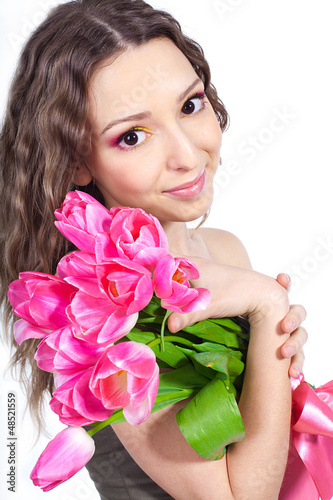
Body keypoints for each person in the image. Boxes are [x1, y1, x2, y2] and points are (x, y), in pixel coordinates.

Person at [0, 0, 309, 498]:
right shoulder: (105, 326)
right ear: (77, 161)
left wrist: (274, 359)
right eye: (133, 136)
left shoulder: (225, 249)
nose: (188, 156)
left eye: (190, 105)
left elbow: (259, 439)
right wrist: (266, 302)